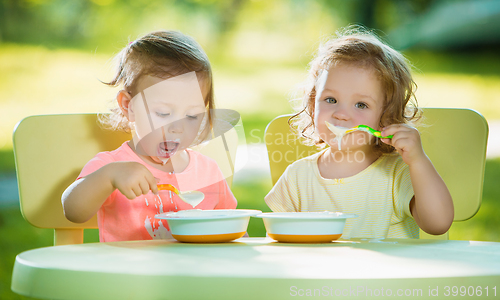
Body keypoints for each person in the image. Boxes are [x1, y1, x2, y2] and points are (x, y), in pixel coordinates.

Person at [265, 27, 453, 239]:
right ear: (312, 104)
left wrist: (419, 161)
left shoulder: (398, 173)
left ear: (387, 117)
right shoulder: (298, 176)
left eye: (361, 105)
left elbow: (438, 224)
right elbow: (280, 244)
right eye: (331, 100)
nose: (342, 114)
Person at [62, 30, 237, 242]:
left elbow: (231, 228)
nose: (177, 128)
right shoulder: (113, 165)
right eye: (163, 113)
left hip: (192, 272)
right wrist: (108, 177)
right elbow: (73, 210)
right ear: (129, 106)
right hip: (129, 272)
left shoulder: (208, 171)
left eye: (192, 115)